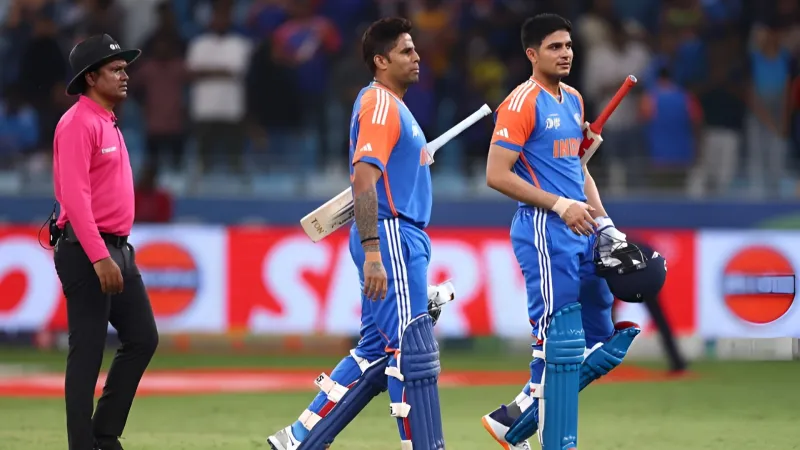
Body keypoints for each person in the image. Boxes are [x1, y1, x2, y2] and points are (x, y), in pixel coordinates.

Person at [267, 17, 446, 450]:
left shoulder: (390, 106)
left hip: (393, 235)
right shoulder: (381, 103)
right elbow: (364, 181)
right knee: (412, 352)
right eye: (406, 51)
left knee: (375, 351)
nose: (417, 57)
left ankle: (299, 439)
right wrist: (373, 251)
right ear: (381, 61)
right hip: (391, 234)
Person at [480, 14, 642, 450]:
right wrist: (558, 204)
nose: (566, 53)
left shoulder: (573, 99)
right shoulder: (520, 103)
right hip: (544, 229)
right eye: (555, 47)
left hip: (583, 227)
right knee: (557, 337)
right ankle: (547, 436)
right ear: (532, 54)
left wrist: (605, 223)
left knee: (599, 343)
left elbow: (578, 170)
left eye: (568, 45)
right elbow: (496, 174)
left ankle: (513, 419)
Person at [52, 34, 159, 450]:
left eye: (124, 68)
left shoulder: (106, 120)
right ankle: (84, 444)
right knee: (88, 350)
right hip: (88, 250)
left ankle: (104, 434)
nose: (125, 75)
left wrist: (112, 253)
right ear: (91, 77)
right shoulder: (78, 123)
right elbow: (75, 198)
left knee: (143, 338)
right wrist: (99, 257)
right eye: (115, 69)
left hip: (116, 248)